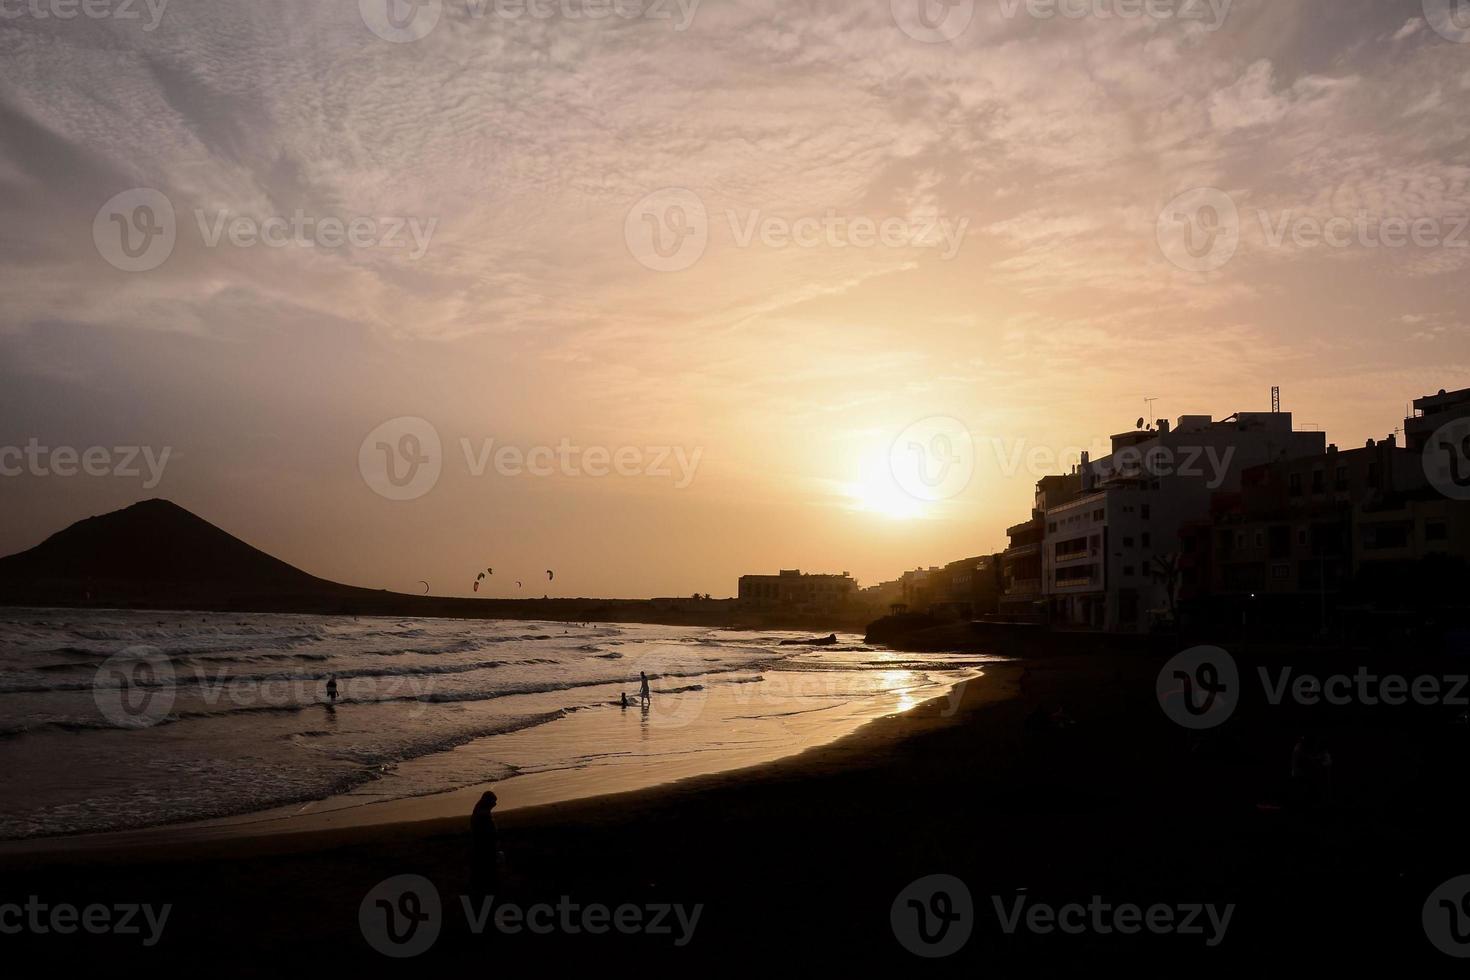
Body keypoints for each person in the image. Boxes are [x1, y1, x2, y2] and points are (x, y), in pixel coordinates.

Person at [470, 791, 500, 894]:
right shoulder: (483, 814)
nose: (495, 805)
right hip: (484, 842)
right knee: (486, 862)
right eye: (493, 802)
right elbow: (486, 831)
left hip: (481, 841)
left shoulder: (479, 809)